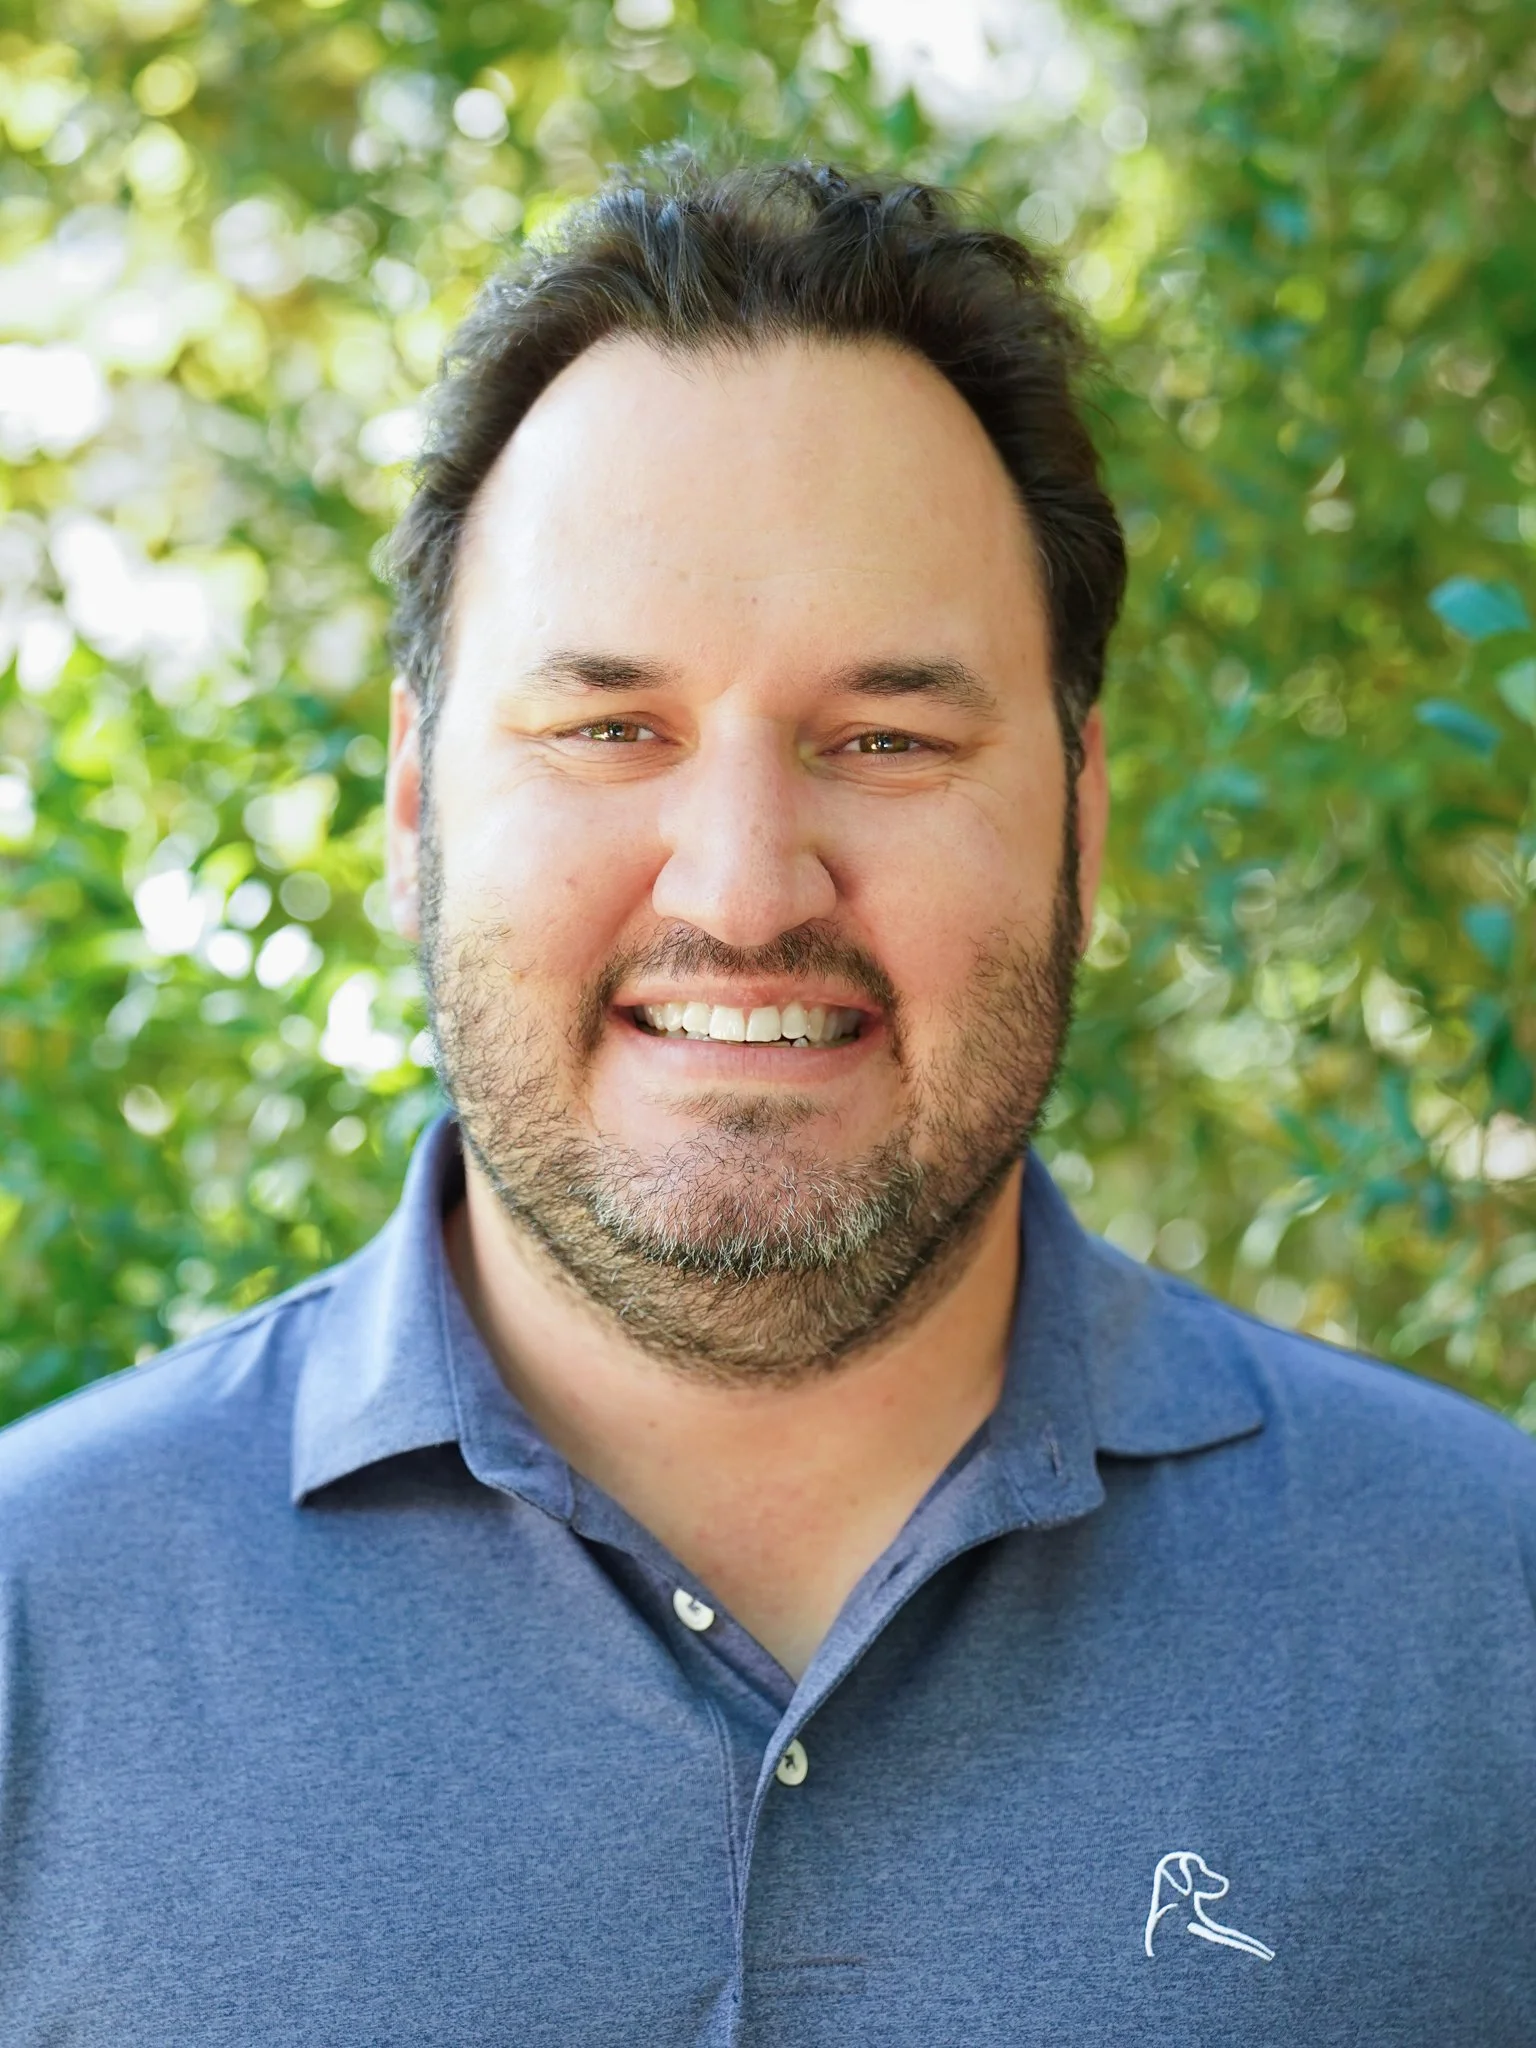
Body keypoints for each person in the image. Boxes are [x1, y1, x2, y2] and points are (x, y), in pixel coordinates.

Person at [0, 158, 1531, 2047]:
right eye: (608, 730)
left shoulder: (1496, 1619)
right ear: (417, 793)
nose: (742, 886)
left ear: (1081, 810)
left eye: (887, 740)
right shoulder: (28, 1635)